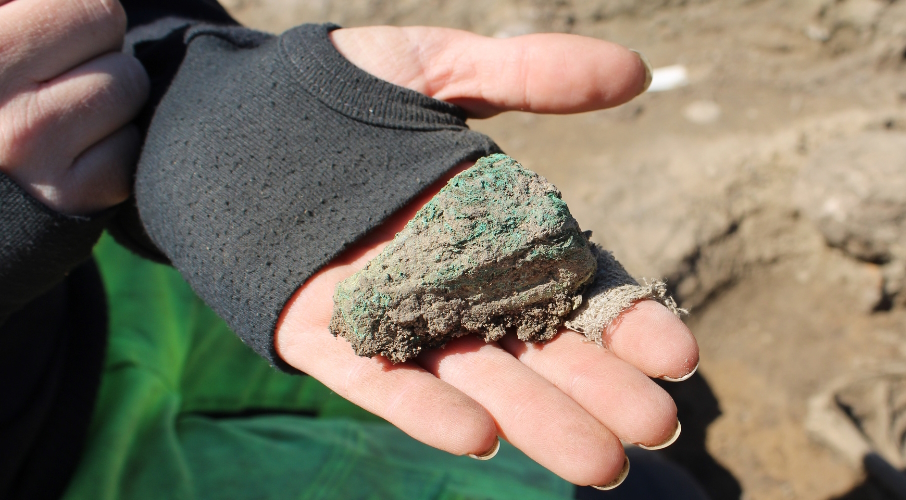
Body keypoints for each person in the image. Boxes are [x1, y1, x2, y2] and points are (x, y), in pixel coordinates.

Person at [0, 0, 705, 498]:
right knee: (641, 494)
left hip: (123, 266)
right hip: (48, 472)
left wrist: (183, 85)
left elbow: (77, 20)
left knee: (633, 441)